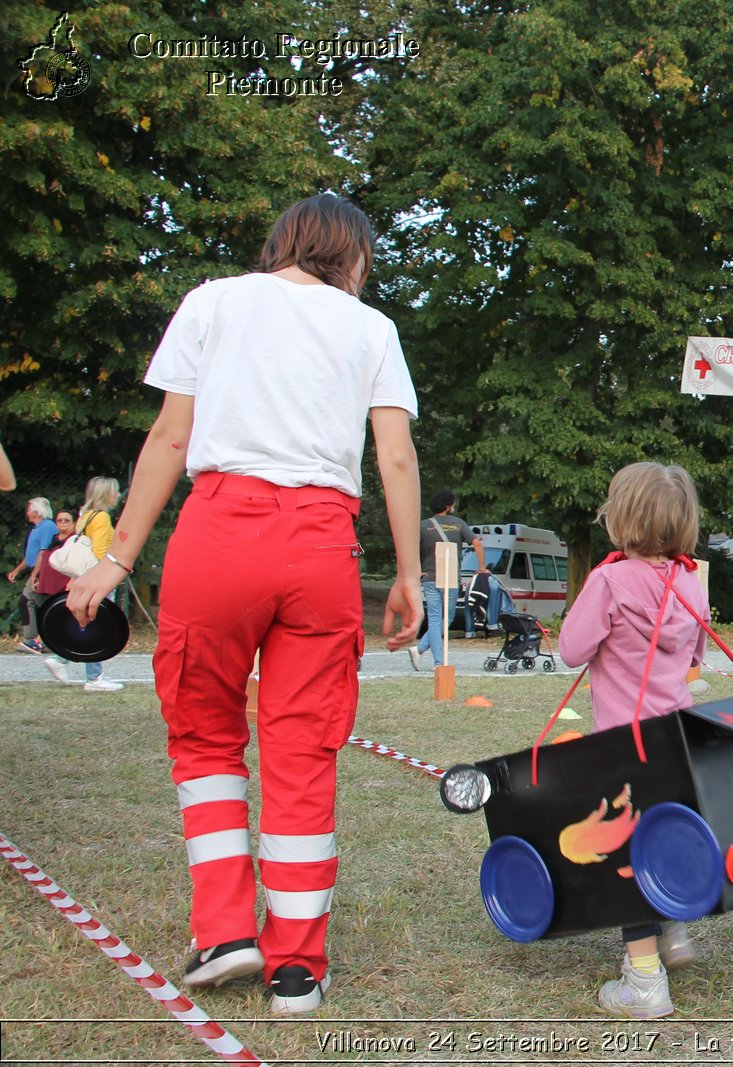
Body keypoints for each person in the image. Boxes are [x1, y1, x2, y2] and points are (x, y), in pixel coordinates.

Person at [65, 193, 422, 1015]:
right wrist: (407, 572)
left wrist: (117, 557)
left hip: (218, 532)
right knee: (303, 747)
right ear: (353, 255)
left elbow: (169, 439)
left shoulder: (213, 301)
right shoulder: (371, 330)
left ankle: (225, 932)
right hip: (321, 543)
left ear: (283, 242)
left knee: (204, 732)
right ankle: (297, 968)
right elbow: (394, 456)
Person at [556, 462, 710, 1019]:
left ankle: (644, 982)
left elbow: (572, 650)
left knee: (624, 856)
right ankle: (673, 933)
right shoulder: (690, 581)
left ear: (620, 517)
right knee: (663, 836)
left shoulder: (609, 581)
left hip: (623, 744)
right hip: (678, 736)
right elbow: (695, 657)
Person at [43, 478, 122, 691]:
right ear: (106, 494)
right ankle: (94, 678)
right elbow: (100, 551)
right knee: (99, 624)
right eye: (115, 492)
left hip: (85, 577)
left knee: (87, 622)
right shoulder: (102, 518)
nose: (118, 495)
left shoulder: (85, 517)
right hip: (100, 577)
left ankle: (61, 659)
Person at [407, 488, 485, 670]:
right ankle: (439, 663)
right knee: (446, 618)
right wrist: (481, 568)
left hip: (429, 577)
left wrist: (416, 570)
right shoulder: (458, 524)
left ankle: (419, 650)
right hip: (450, 577)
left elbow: (408, 548)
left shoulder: (423, 525)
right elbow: (477, 544)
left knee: (434, 618)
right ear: (448, 505)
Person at [8, 497, 55, 653]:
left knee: (26, 601)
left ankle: (31, 640)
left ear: (36, 512)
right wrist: (18, 570)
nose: (27, 512)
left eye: (29, 509)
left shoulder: (47, 527)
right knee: (46, 605)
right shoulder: (36, 528)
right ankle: (53, 641)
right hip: (36, 570)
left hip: (43, 571)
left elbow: (43, 553)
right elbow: (31, 555)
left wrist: (35, 575)